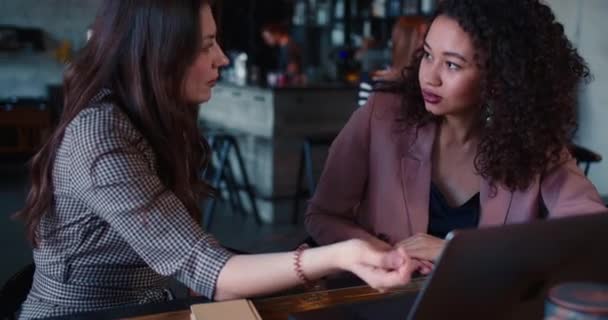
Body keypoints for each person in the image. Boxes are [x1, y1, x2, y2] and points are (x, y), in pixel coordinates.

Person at [14, 1, 420, 318]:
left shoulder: (147, 116)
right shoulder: (99, 135)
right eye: (207, 45)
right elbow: (209, 271)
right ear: (160, 51)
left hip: (146, 307)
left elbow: (199, 263)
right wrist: (337, 255)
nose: (222, 58)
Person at [305, 0, 606, 268]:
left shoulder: (532, 143)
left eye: (451, 64)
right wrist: (380, 254)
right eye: (427, 55)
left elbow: (590, 234)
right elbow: (322, 216)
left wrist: (457, 251)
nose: (429, 76)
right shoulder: (381, 116)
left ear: (500, 78)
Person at [358, 17, 428, 106]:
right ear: (407, 42)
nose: (429, 42)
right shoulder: (372, 80)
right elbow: (364, 118)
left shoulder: (427, 81)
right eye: (424, 37)